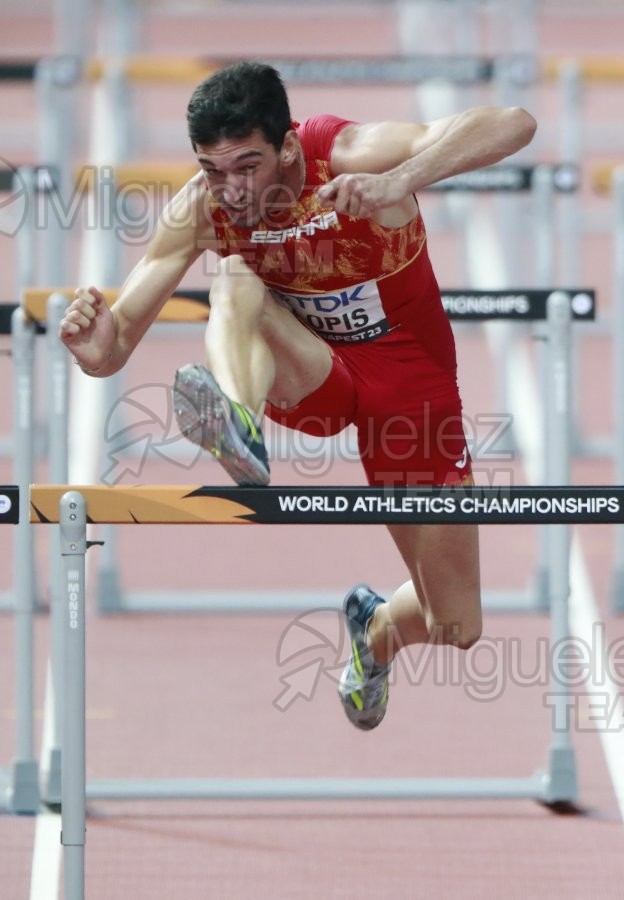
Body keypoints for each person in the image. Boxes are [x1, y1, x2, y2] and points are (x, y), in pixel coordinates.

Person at [59, 61, 537, 731]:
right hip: (310, 376)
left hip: (409, 385)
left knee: (455, 622)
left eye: (247, 166)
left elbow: (514, 122)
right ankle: (237, 421)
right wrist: (96, 344)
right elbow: (112, 351)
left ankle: (374, 630)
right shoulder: (200, 208)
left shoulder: (346, 152)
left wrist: (399, 180)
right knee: (234, 281)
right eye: (212, 168)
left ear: (286, 145)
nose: (231, 188)